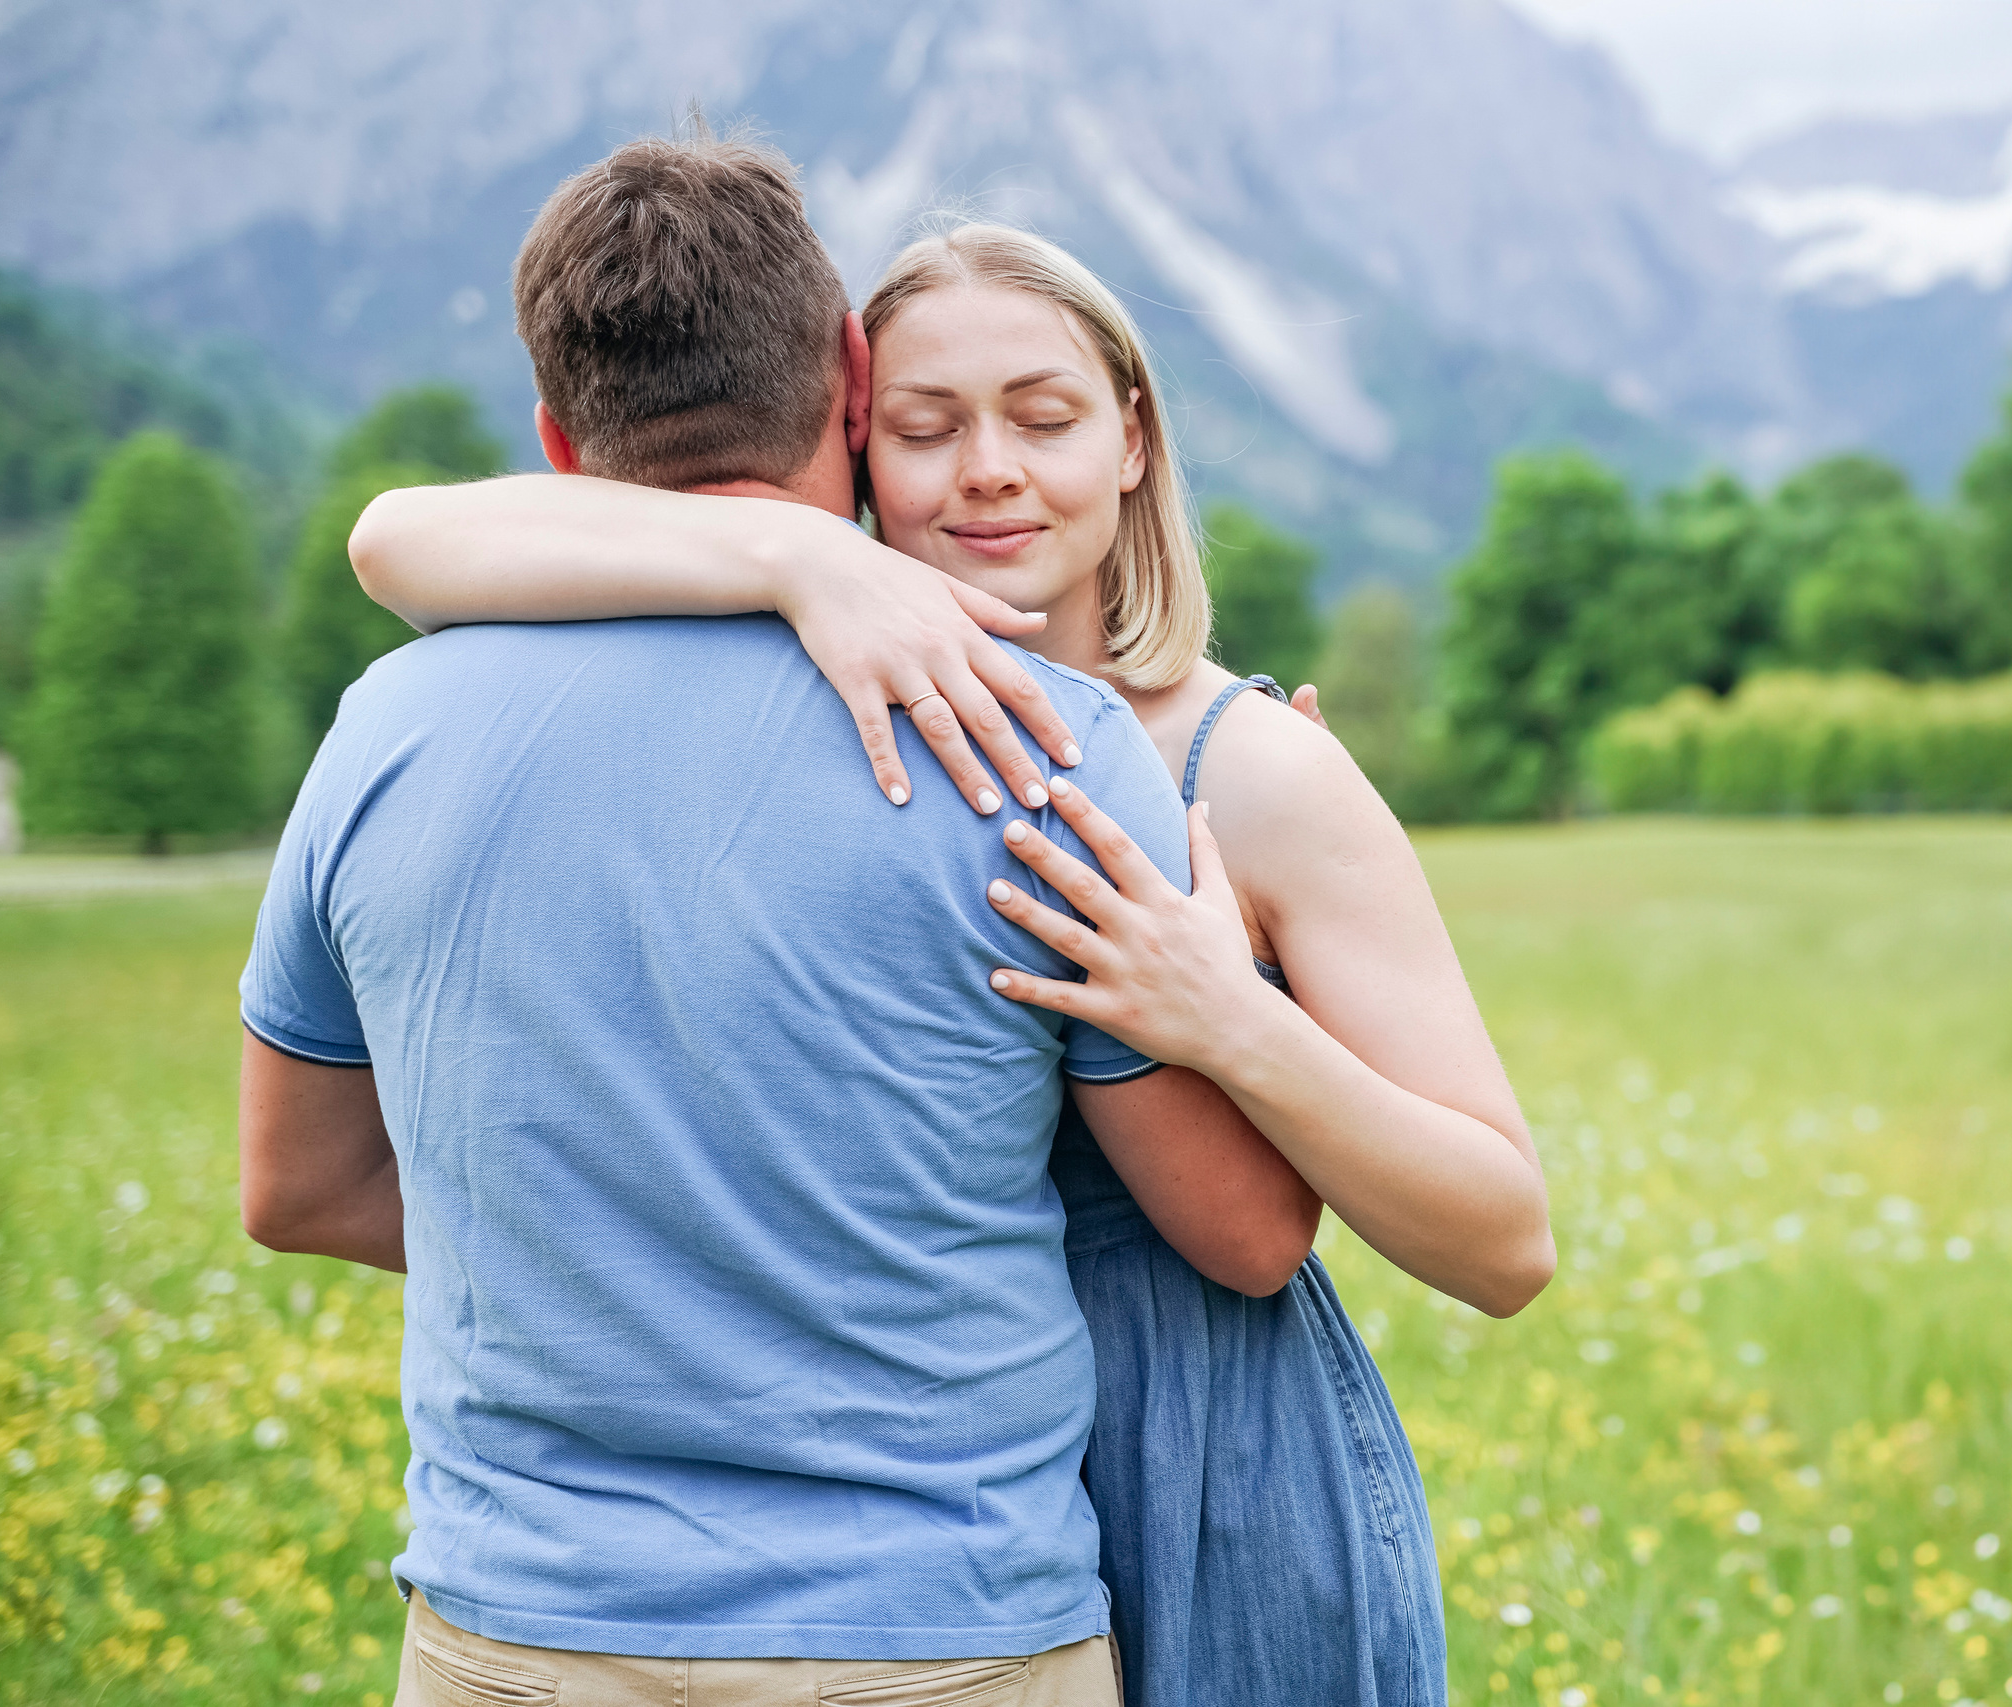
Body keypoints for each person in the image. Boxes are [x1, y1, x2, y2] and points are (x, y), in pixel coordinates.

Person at [353, 217, 1557, 1705]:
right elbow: (398, 539)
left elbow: (1504, 1242)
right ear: (851, 437)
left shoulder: (1244, 771)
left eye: (1043, 418)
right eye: (926, 429)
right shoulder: (834, 711)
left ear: (1133, 437)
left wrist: (1233, 1023)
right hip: (913, 1485)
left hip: (1191, 1448)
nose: (987, 468)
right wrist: (791, 555)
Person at [237, 131, 1312, 1707]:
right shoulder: (1035, 740)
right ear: (856, 385)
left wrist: (622, 1257)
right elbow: (1248, 1235)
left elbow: (295, 1188)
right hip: (942, 1636)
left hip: (513, 1632)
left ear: (551, 434)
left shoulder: (379, 736)